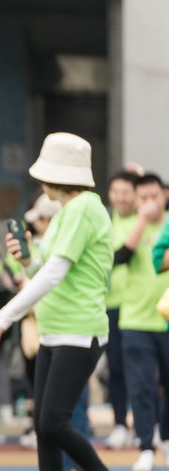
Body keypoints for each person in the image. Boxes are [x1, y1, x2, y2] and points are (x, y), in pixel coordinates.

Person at [0, 132, 138, 471]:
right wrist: (25, 259)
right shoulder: (70, 210)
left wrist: (5, 316)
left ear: (55, 177)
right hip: (56, 330)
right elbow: (44, 268)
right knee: (44, 424)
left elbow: (55, 273)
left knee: (52, 422)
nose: (40, 182)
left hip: (79, 330)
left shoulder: (84, 208)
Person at [120, 173, 169, 471]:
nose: (150, 202)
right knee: (141, 387)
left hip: (166, 319)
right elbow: (121, 257)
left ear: (165, 195)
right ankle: (146, 446)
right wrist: (141, 221)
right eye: (143, 197)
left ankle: (166, 437)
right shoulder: (127, 224)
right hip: (135, 319)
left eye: (154, 196)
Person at [105, 172, 137, 450]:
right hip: (111, 305)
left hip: (138, 306)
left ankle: (148, 424)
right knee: (115, 367)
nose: (120, 197)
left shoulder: (146, 221)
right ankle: (119, 424)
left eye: (126, 192)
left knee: (142, 370)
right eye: (116, 191)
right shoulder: (106, 220)